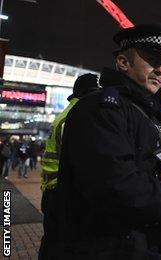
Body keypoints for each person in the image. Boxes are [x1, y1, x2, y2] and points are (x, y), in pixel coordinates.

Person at [55, 24, 161, 258]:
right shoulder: (101, 109)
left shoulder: (154, 116)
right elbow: (116, 182)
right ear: (123, 62)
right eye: (152, 59)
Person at [38, 73, 100, 259]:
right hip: (62, 192)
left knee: (54, 241)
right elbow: (80, 160)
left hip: (53, 189)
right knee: (63, 246)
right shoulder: (76, 116)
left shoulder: (65, 114)